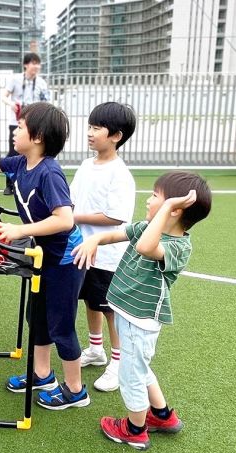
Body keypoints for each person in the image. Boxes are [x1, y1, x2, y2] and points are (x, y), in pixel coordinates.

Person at [0, 101, 90, 410]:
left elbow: (65, 219)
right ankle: (42, 374)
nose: (16, 131)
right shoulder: (19, 163)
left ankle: (76, 390)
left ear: (38, 136)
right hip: (43, 256)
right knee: (37, 317)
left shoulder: (49, 173)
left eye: (22, 127)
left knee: (61, 325)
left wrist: (17, 230)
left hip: (66, 261)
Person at [72, 171, 212, 450]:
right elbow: (117, 233)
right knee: (140, 366)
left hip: (141, 321)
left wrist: (168, 206)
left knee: (132, 374)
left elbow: (146, 247)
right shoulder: (146, 227)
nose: (148, 201)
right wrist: (94, 240)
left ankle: (135, 429)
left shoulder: (178, 246)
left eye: (156, 197)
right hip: (128, 314)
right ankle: (161, 416)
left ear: (174, 210)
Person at [69, 102, 136, 392]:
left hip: (107, 255)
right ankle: (96, 349)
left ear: (116, 136)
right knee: (89, 300)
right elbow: (71, 199)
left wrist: (73, 216)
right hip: (82, 249)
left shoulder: (120, 173)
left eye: (97, 128)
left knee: (110, 309)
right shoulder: (86, 165)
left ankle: (118, 363)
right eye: (90, 126)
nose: (90, 132)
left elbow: (116, 216)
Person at [1, 53, 49, 196]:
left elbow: (47, 102)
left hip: (35, 124)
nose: (36, 66)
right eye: (33, 63)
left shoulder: (41, 83)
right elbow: (4, 96)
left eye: (38, 63)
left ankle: (30, 183)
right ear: (25, 65)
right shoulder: (15, 79)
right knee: (13, 153)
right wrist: (11, 104)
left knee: (35, 152)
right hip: (16, 123)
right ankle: (9, 184)